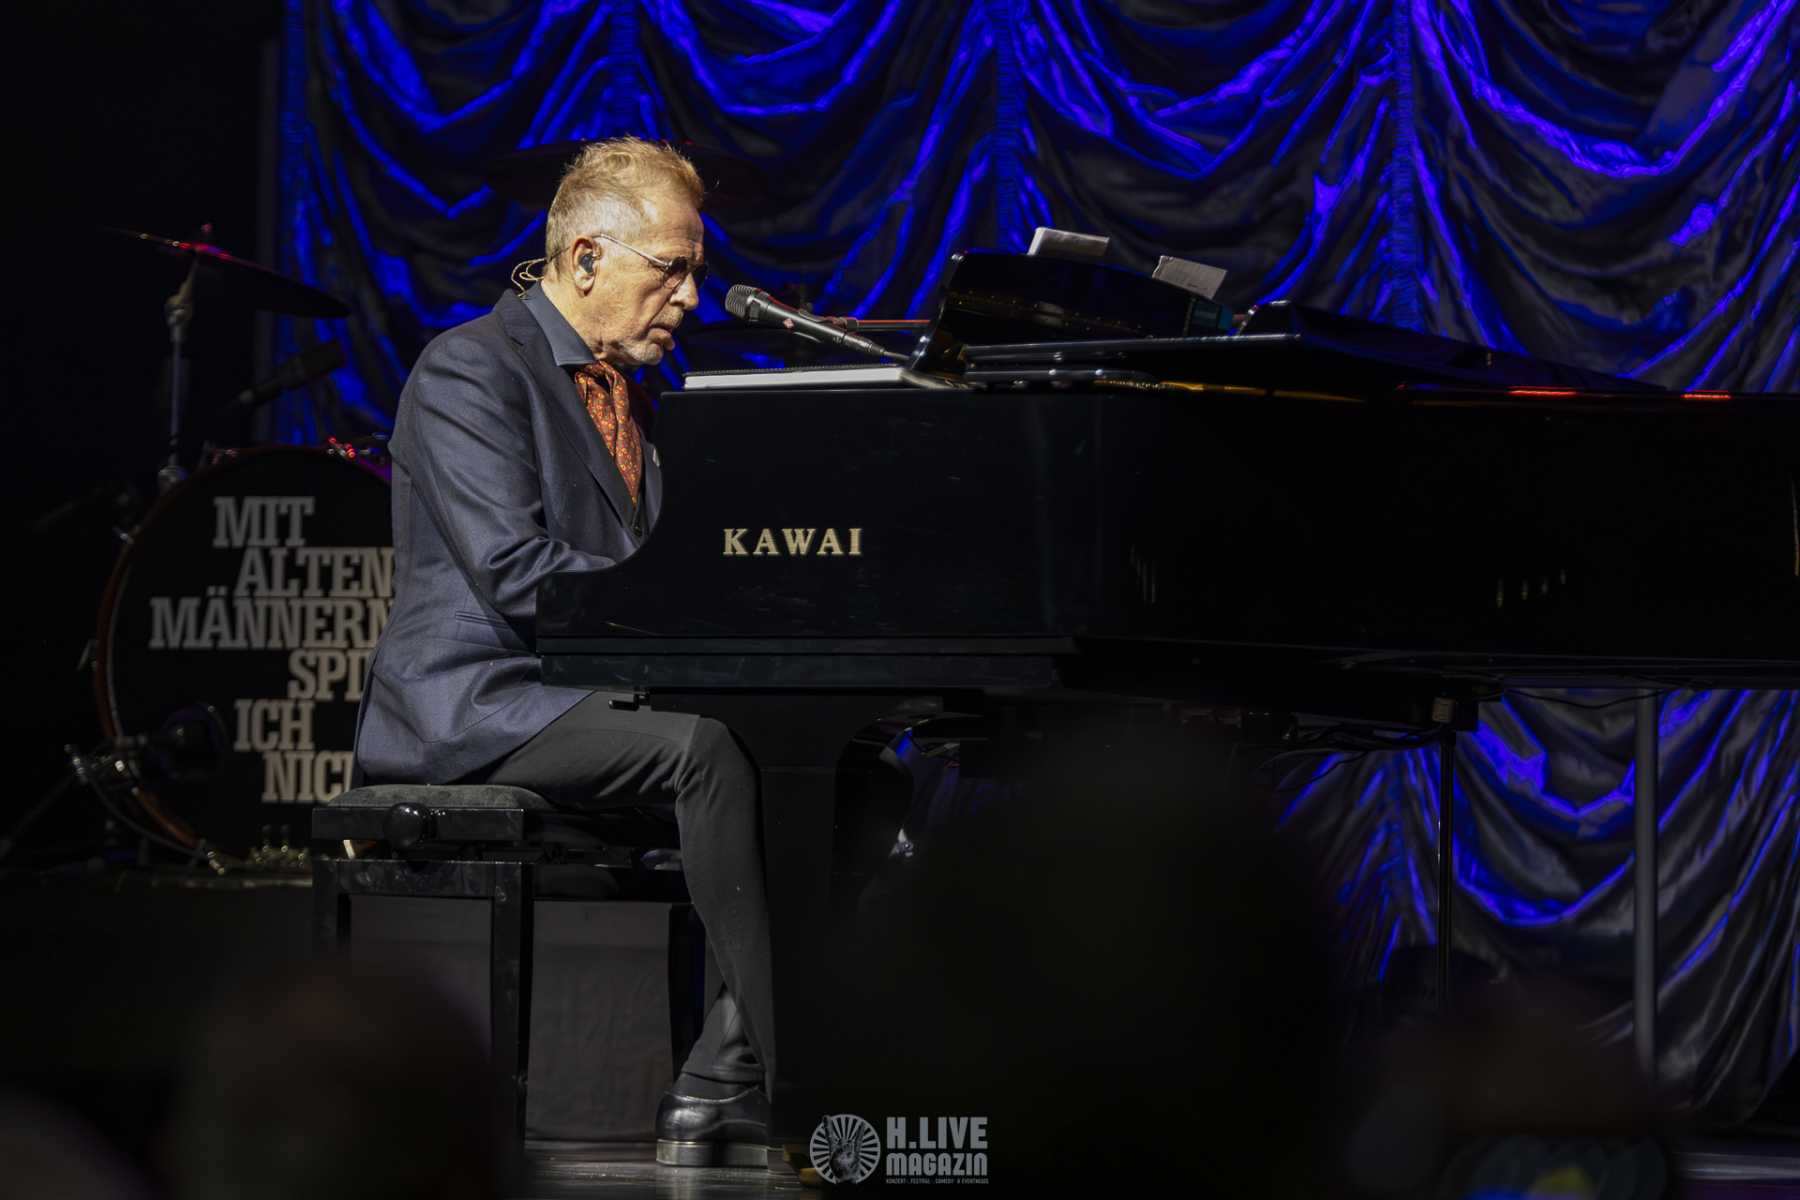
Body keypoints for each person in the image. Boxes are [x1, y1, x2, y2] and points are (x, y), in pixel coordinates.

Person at [353, 138, 772, 1166]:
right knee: (710, 748)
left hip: (594, 692)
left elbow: (668, 562)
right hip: (483, 702)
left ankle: (727, 1067)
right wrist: (689, 623)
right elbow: (516, 573)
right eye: (671, 268)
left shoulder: (638, 394)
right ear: (585, 258)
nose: (690, 297)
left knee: (848, 766)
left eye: (697, 273)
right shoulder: (467, 368)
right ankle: (792, 1060)